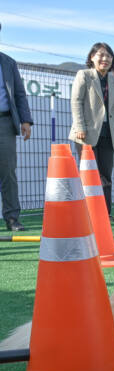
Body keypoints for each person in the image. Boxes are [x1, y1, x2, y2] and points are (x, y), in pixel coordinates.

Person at [69, 42, 114, 220]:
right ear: (92, 57)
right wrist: (79, 127)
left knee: (106, 175)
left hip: (109, 134)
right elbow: (76, 101)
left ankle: (105, 213)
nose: (105, 59)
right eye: (100, 55)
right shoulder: (84, 75)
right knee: (89, 174)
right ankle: (87, 214)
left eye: (108, 56)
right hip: (85, 134)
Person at [0, 22, 34, 231]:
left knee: (8, 172)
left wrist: (26, 121)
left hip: (5, 123)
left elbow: (20, 94)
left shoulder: (8, 63)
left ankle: (12, 218)